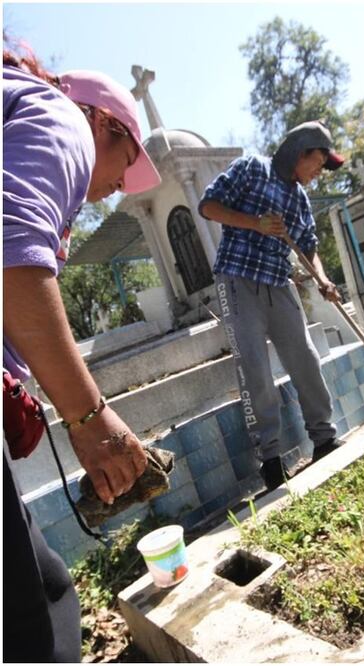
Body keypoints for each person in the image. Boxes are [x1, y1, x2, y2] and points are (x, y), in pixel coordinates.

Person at [4, 48, 160, 661]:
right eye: (124, 165)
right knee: (33, 625)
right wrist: (91, 419)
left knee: (43, 587)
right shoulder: (59, 116)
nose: (117, 187)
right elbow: (10, 246)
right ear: (102, 123)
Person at [199, 121, 346, 491]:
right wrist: (255, 223)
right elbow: (208, 206)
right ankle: (271, 458)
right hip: (238, 279)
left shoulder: (300, 199)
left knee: (305, 358)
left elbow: (309, 246)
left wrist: (322, 279)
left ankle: (324, 438)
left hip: (279, 282)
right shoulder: (252, 168)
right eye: (319, 162)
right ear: (301, 152)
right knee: (255, 370)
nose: (319, 172)